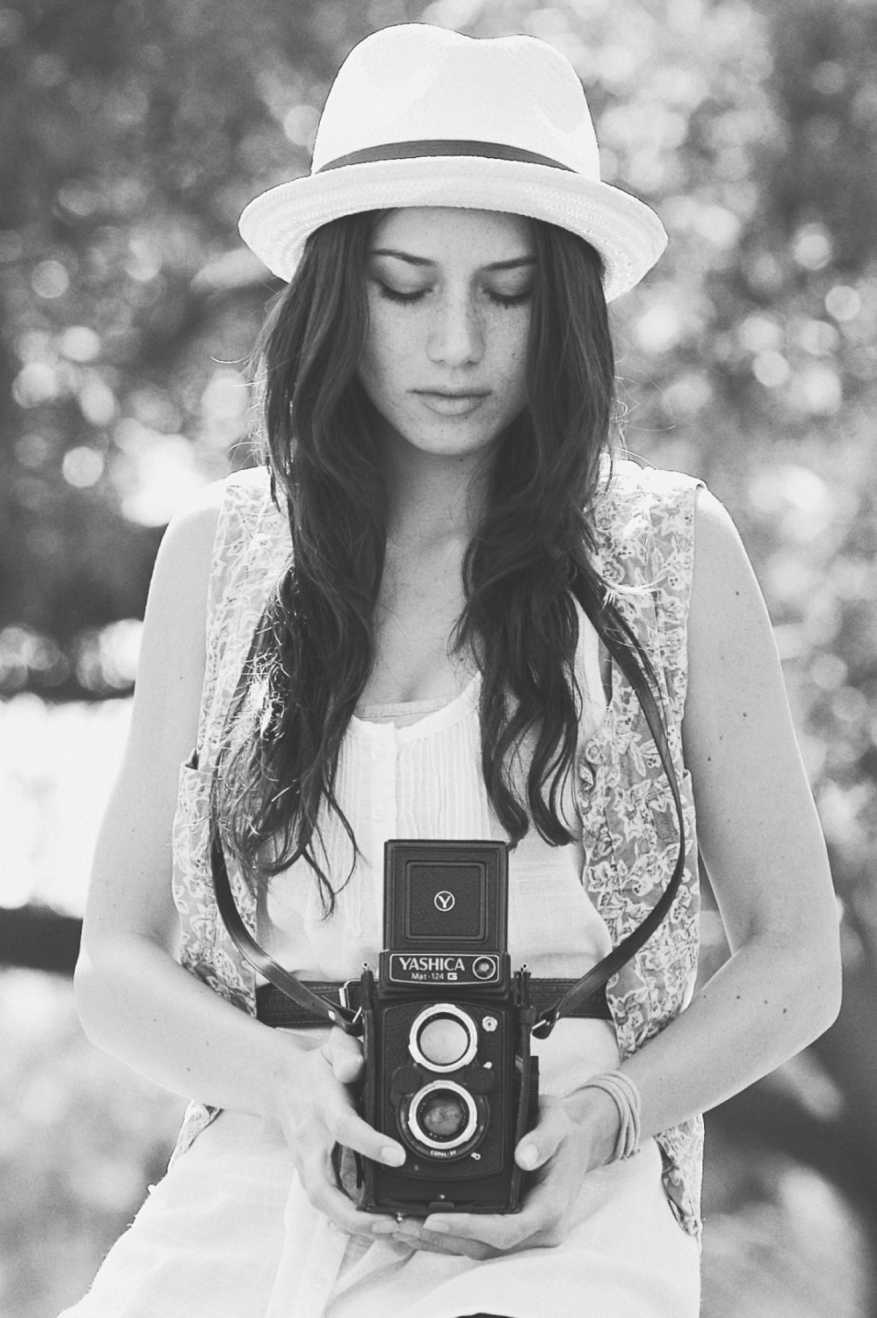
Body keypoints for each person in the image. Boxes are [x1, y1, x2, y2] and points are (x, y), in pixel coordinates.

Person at [61, 23, 841, 1318]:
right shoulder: (223, 551)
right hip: (262, 1177)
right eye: (407, 287)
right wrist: (284, 1085)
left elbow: (798, 955)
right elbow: (114, 963)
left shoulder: (669, 547)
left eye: (509, 291)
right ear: (339, 294)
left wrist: (609, 1114)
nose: (459, 344)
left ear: (564, 304)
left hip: (566, 1199)